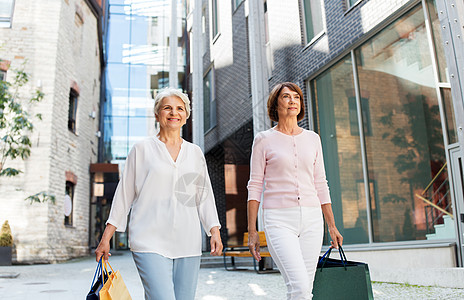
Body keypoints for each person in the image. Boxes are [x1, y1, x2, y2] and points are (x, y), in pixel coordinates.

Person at [95, 88, 223, 300]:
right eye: (167, 108)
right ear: (157, 115)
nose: (174, 113)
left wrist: (214, 230)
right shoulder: (142, 149)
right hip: (149, 239)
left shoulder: (195, 153)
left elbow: (204, 194)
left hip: (187, 241)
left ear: (186, 116)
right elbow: (124, 195)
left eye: (180, 108)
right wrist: (106, 238)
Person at [247, 82, 343, 299]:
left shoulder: (313, 139)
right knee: (299, 286)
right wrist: (252, 231)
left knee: (304, 288)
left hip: (312, 220)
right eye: (286, 97)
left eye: (297, 97)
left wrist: (332, 225)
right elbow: (254, 186)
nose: (292, 101)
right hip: (278, 219)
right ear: (275, 104)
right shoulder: (263, 140)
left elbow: (321, 183)